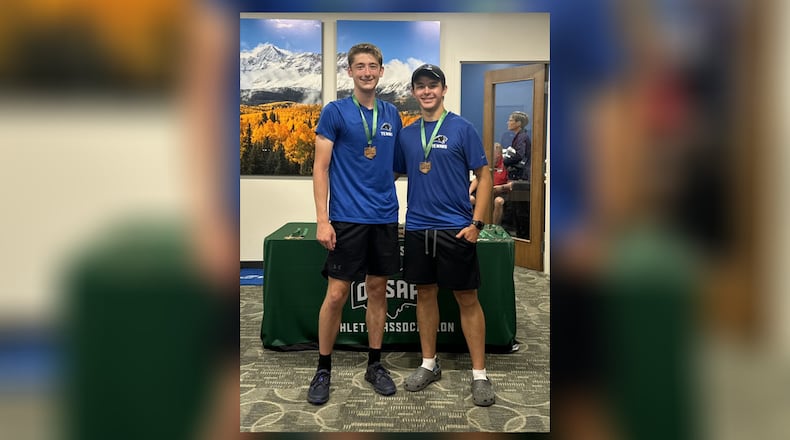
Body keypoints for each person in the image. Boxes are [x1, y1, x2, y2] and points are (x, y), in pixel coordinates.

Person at [394, 64, 496, 406]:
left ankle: (479, 374)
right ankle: (428, 363)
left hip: (456, 229)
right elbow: (385, 175)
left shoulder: (462, 128)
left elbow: (485, 177)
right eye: (420, 86)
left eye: (432, 86)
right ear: (413, 92)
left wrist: (477, 223)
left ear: (444, 89)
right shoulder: (407, 135)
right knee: (425, 295)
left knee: (467, 299)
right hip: (419, 228)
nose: (426, 92)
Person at [308, 42, 403, 405]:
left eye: (373, 66)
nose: (366, 72)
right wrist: (322, 219)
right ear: (350, 71)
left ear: (381, 71)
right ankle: (323, 368)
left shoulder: (392, 114)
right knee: (336, 294)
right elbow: (320, 168)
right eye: (359, 66)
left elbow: (392, 165)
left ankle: (374, 364)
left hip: (383, 217)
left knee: (378, 291)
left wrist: (375, 187)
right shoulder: (335, 112)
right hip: (346, 220)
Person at [470, 142, 512, 225]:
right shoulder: (487, 164)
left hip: (500, 192)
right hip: (486, 190)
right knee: (470, 199)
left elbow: (511, 184)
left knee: (498, 201)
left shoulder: (506, 165)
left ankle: (494, 227)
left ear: (499, 154)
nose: (491, 156)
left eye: (494, 154)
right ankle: (473, 224)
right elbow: (478, 178)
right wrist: (469, 191)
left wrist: (501, 187)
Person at [502, 111, 531, 181]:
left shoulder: (522, 137)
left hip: (521, 175)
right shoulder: (521, 136)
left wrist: (504, 161)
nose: (508, 123)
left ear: (518, 123)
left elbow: (519, 156)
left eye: (510, 120)